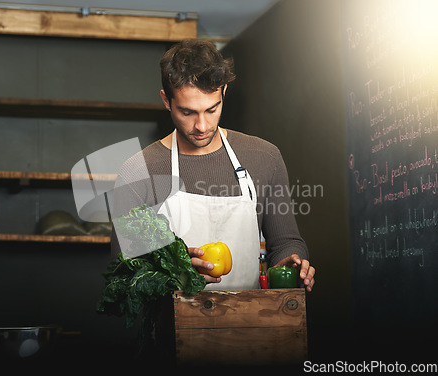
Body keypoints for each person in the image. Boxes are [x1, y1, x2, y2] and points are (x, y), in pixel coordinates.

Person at [111, 39, 315, 292]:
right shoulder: (138, 170)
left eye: (212, 109)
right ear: (166, 101)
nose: (202, 126)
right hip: (173, 328)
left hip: (254, 322)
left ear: (224, 92)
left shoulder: (264, 157)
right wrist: (174, 268)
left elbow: (285, 242)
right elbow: (124, 271)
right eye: (187, 112)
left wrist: (292, 262)